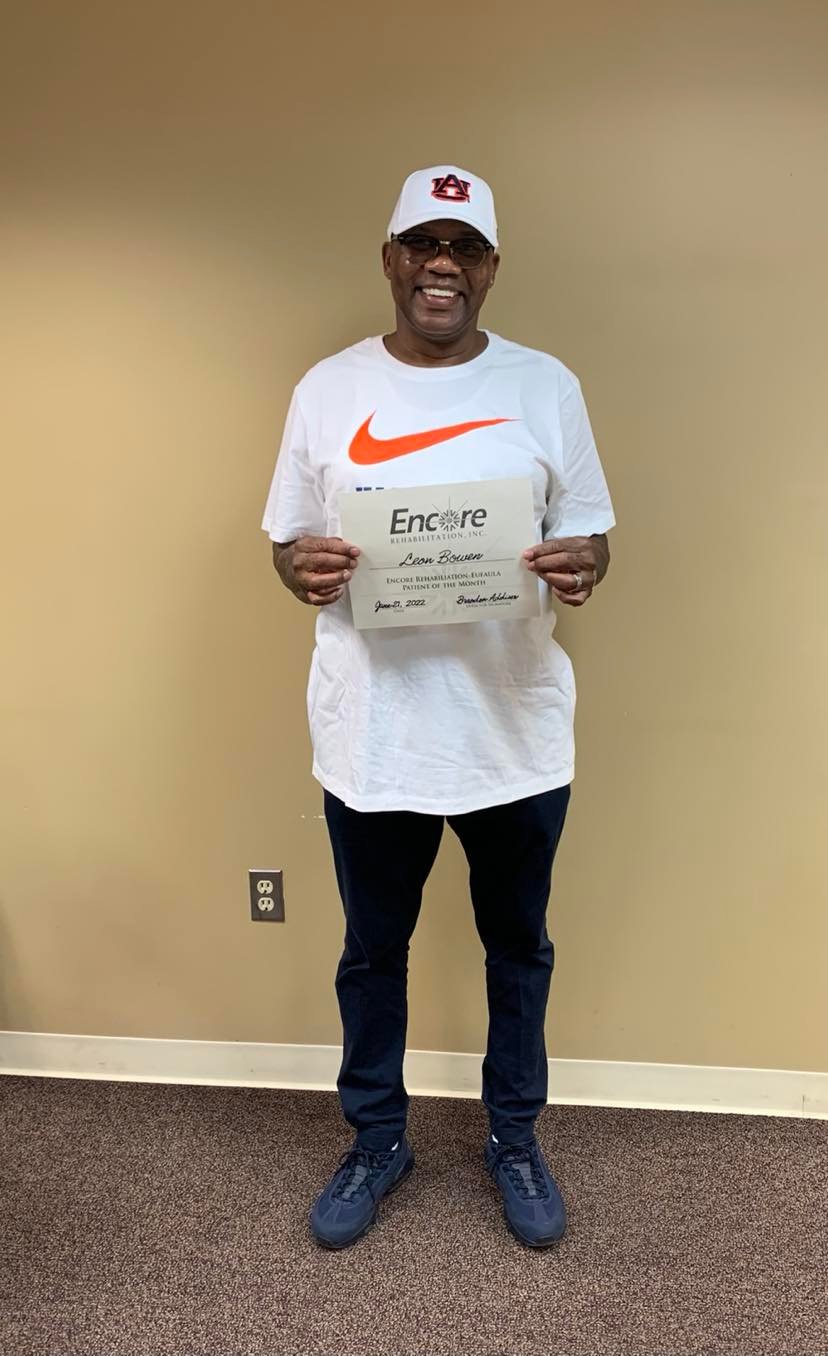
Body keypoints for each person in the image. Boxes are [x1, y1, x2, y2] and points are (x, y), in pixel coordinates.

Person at [261, 164, 615, 1250]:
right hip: (375, 733)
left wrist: (584, 564)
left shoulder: (545, 385)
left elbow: (592, 534)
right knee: (374, 952)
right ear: (390, 258)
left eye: (464, 247)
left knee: (520, 949)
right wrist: (299, 568)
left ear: (491, 267)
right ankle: (378, 1139)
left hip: (511, 729)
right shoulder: (328, 390)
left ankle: (515, 1135)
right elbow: (287, 543)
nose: (441, 265)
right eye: (422, 243)